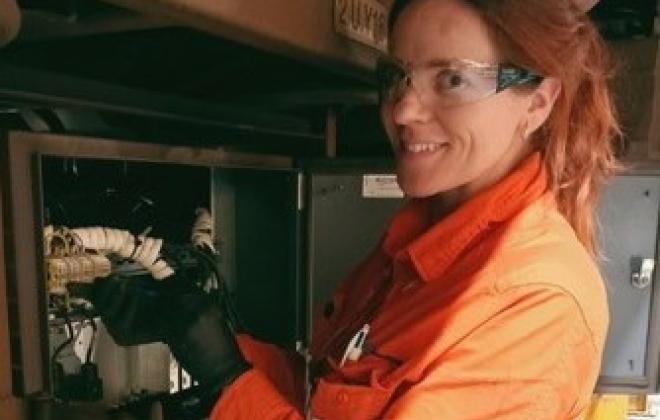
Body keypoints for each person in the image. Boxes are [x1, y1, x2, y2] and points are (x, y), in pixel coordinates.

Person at [93, 0, 620, 418]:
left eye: (453, 78)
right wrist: (203, 335)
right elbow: (328, 397)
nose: (404, 110)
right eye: (398, 76)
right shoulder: (421, 240)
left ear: (537, 101)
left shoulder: (536, 302)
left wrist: (226, 377)